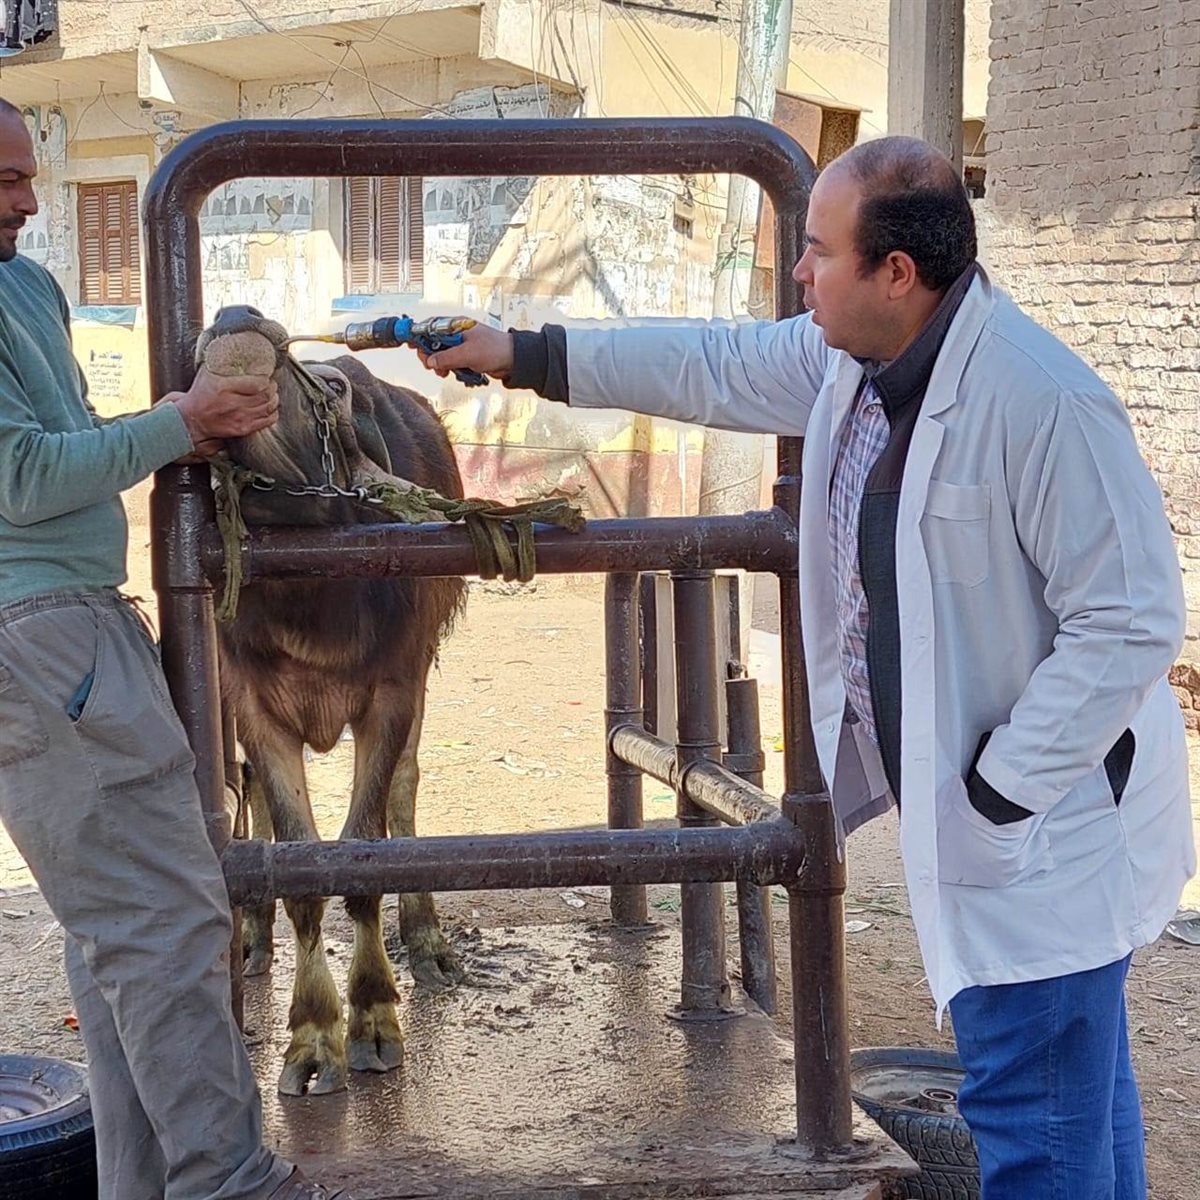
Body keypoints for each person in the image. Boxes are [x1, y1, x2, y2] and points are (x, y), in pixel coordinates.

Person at [417, 135, 1194, 1198]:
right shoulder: (851, 361)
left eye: (820, 252)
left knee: (1034, 1122)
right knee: (1077, 1104)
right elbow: (711, 364)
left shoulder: (1040, 401)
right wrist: (523, 352)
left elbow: (1133, 622)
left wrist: (996, 792)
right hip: (990, 816)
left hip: (1046, 831)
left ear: (896, 273)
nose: (799, 272)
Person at [0, 98, 352, 1200]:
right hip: (42, 634)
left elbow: (62, 438)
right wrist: (182, 424)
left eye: (27, 175)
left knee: (118, 934)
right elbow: (23, 477)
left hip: (77, 623)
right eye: (4, 181)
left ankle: (150, 1186)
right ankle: (229, 1180)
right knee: (165, 923)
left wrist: (169, 423)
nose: (28, 200)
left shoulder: (27, 287)